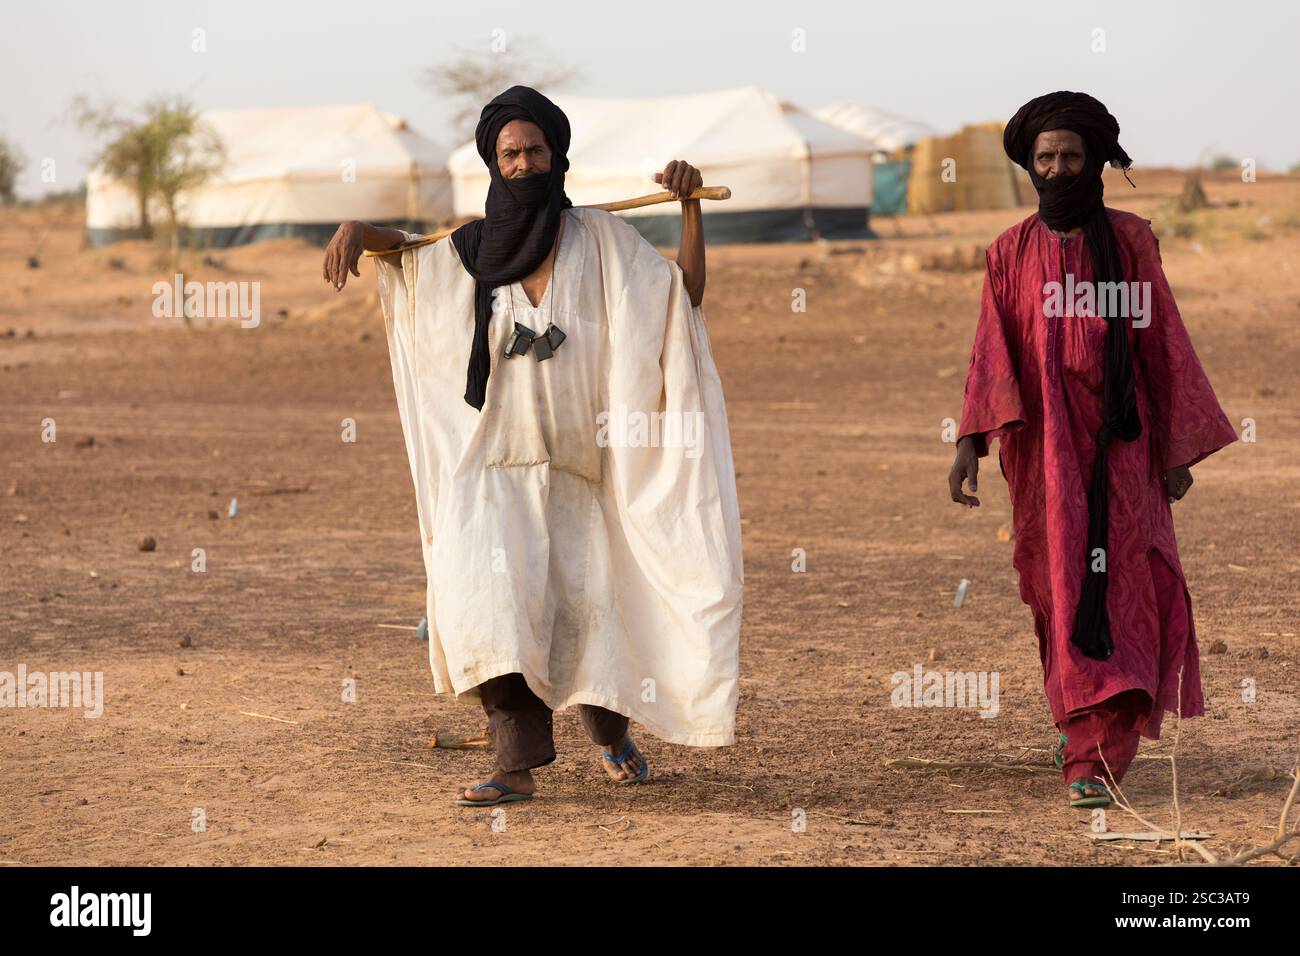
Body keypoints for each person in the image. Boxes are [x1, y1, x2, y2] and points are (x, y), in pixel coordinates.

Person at [322, 86, 743, 807]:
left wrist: (691, 205)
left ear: (557, 156)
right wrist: (362, 227)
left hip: (585, 467)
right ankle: (512, 766)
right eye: (510, 152)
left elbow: (683, 296)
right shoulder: (473, 248)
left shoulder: (602, 241)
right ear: (494, 161)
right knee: (491, 606)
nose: (523, 163)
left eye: (535, 150)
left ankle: (612, 737)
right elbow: (413, 259)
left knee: (590, 617)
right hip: (496, 469)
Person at [947, 91, 1237, 809]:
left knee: (1128, 586)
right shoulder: (1008, 252)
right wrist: (969, 442)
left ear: (1095, 160)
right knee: (1060, 590)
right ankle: (1080, 724)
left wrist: (1174, 449)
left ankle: (1094, 757)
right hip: (1042, 455)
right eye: (1044, 158)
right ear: (1030, 165)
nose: (1057, 168)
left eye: (1070, 156)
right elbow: (992, 355)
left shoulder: (1132, 241)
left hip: (1122, 450)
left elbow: (1161, 342)